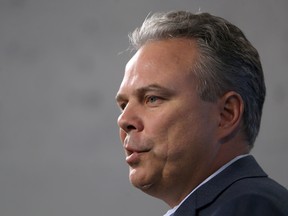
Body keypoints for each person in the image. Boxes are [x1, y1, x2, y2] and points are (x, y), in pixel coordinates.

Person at [115, 10, 288, 216]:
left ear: (226, 114)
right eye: (124, 104)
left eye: (152, 98)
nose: (124, 120)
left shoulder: (249, 207)